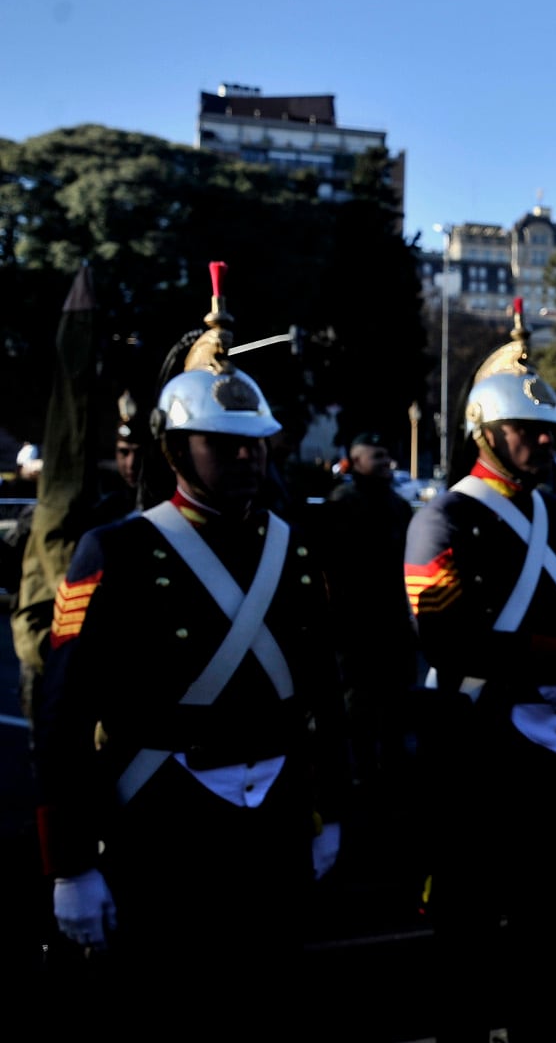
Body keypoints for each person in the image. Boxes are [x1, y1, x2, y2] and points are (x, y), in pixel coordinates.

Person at [33, 281, 347, 1041]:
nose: (245, 456)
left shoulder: (292, 547)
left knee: (269, 1002)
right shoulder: (120, 551)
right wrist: (72, 865)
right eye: (222, 441)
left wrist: (327, 809)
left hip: (271, 818)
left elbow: (322, 694)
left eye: (255, 441)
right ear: (175, 448)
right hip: (164, 822)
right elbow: (64, 716)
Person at [404, 304, 556, 1043]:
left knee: (546, 914)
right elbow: (447, 635)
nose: (541, 440)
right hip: (477, 746)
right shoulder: (443, 520)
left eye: (547, 432)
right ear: (485, 432)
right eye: (526, 430)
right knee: (468, 919)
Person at [321, 431, 416, 789]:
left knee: (395, 699)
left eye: (385, 456)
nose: (384, 463)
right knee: (359, 702)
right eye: (375, 457)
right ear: (357, 462)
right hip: (355, 621)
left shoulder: (397, 505)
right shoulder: (342, 503)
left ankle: (392, 766)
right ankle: (361, 770)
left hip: (392, 619)